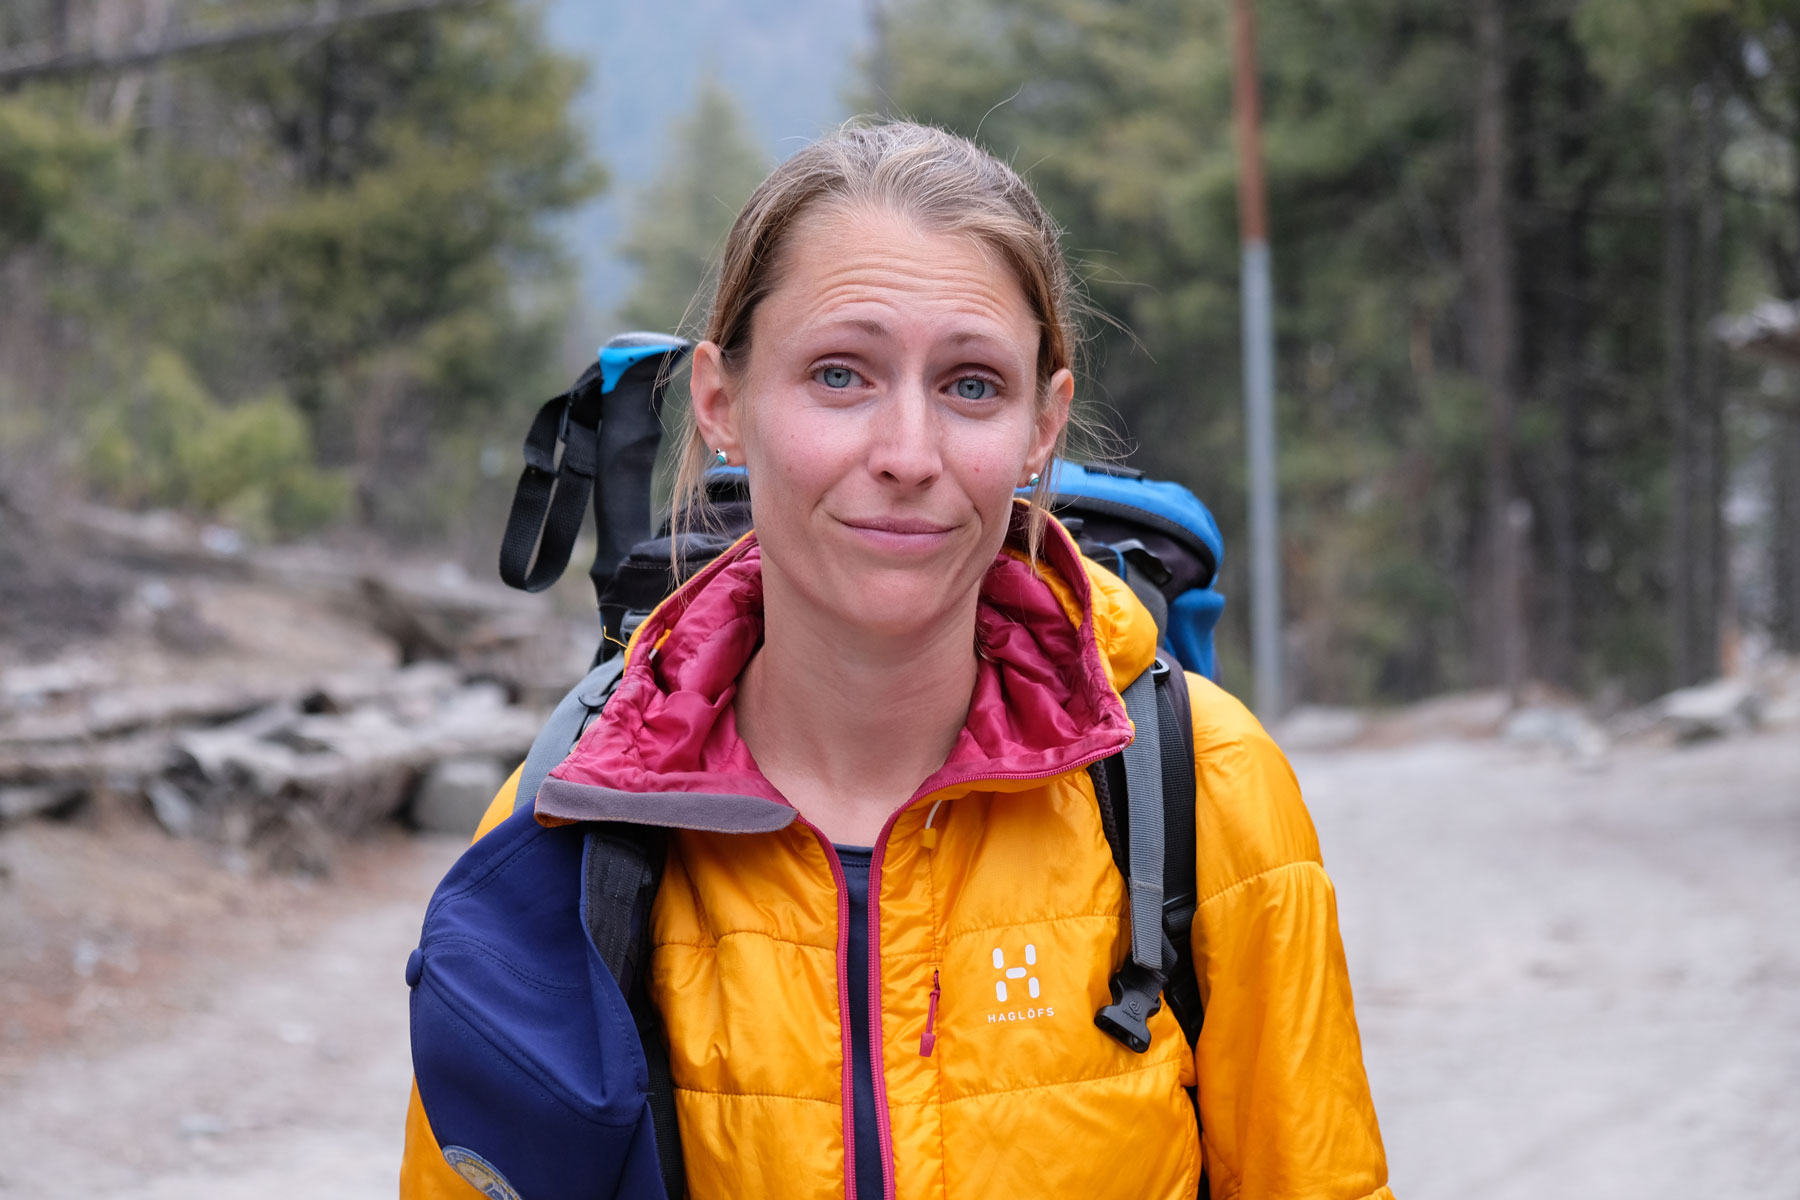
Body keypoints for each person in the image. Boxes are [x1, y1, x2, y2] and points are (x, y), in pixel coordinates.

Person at [400, 120, 1392, 1200]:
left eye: (971, 385)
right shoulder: (572, 817)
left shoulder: (1206, 784)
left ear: (1041, 425)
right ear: (722, 402)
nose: (909, 456)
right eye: (840, 374)